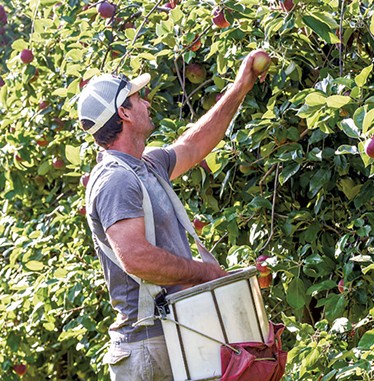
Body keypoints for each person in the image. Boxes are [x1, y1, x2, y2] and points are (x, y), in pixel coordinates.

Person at [76, 50, 266, 380]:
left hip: (174, 337)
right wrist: (204, 274)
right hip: (146, 348)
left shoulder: (147, 166)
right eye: (138, 99)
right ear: (124, 113)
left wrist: (240, 87)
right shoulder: (116, 180)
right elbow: (136, 258)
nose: (147, 103)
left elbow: (194, 144)